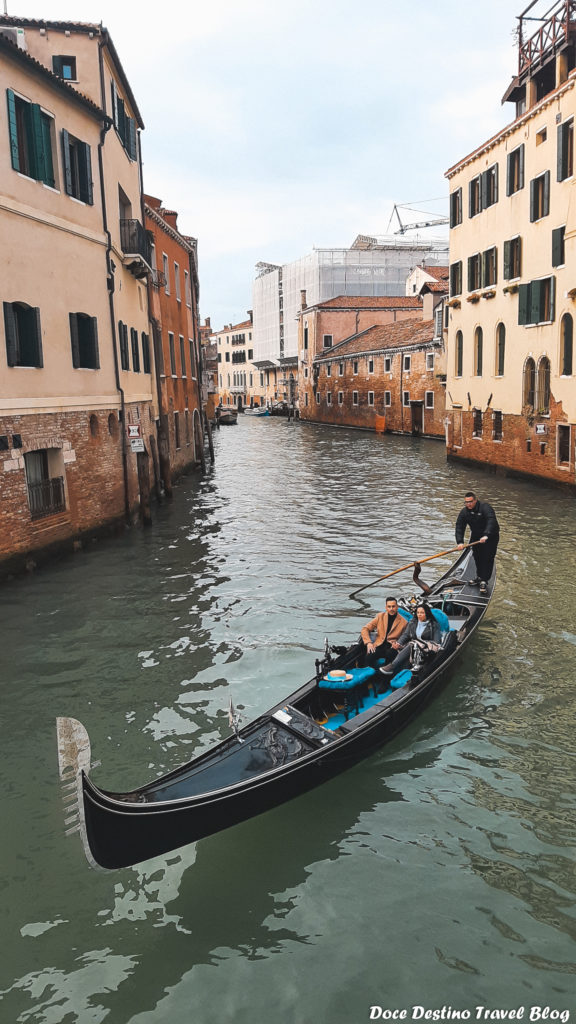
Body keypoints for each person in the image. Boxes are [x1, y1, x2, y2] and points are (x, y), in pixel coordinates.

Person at [379, 602, 442, 680]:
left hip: (426, 650)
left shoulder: (434, 625)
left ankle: (392, 666)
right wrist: (398, 643)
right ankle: (390, 677)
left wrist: (422, 644)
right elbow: (406, 635)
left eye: (422, 613)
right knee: (393, 652)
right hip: (413, 649)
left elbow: (437, 642)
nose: (419, 614)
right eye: (418, 612)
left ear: (427, 613)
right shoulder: (413, 622)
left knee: (412, 644)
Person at [455, 491, 500, 595]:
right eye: (466, 502)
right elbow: (459, 526)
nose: (468, 504)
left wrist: (486, 535)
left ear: (475, 500)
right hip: (476, 536)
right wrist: (460, 542)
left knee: (487, 557)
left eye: (470, 502)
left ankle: (484, 580)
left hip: (491, 536)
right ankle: (479, 577)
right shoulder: (464, 512)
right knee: (477, 556)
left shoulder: (485, 507)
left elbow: (491, 521)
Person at [360, 596, 408, 671]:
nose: (391, 609)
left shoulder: (404, 622)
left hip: (392, 647)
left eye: (393, 606)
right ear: (386, 607)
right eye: (389, 607)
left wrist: (398, 645)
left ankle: (385, 678)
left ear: (397, 607)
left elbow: (406, 638)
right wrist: (369, 643)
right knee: (369, 656)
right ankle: (368, 676)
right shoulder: (380, 616)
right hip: (378, 645)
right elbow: (365, 629)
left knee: (390, 655)